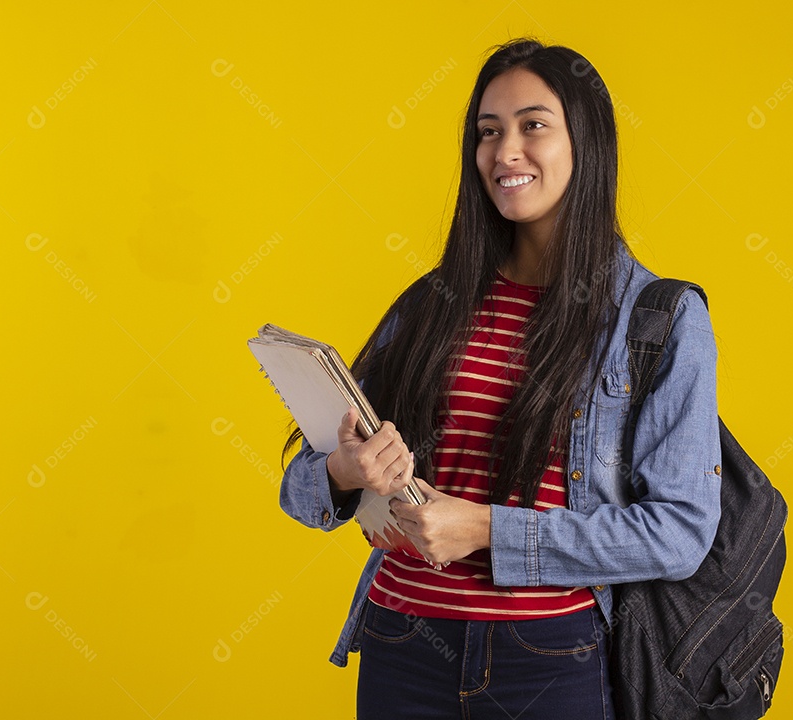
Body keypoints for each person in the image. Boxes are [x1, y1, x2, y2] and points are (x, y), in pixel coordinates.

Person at [278, 37, 723, 720]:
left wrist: (487, 529)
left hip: (548, 658)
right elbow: (298, 491)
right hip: (403, 643)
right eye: (488, 133)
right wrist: (344, 469)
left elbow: (680, 532)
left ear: (587, 144)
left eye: (533, 126)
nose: (505, 151)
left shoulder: (658, 319)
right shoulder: (432, 303)